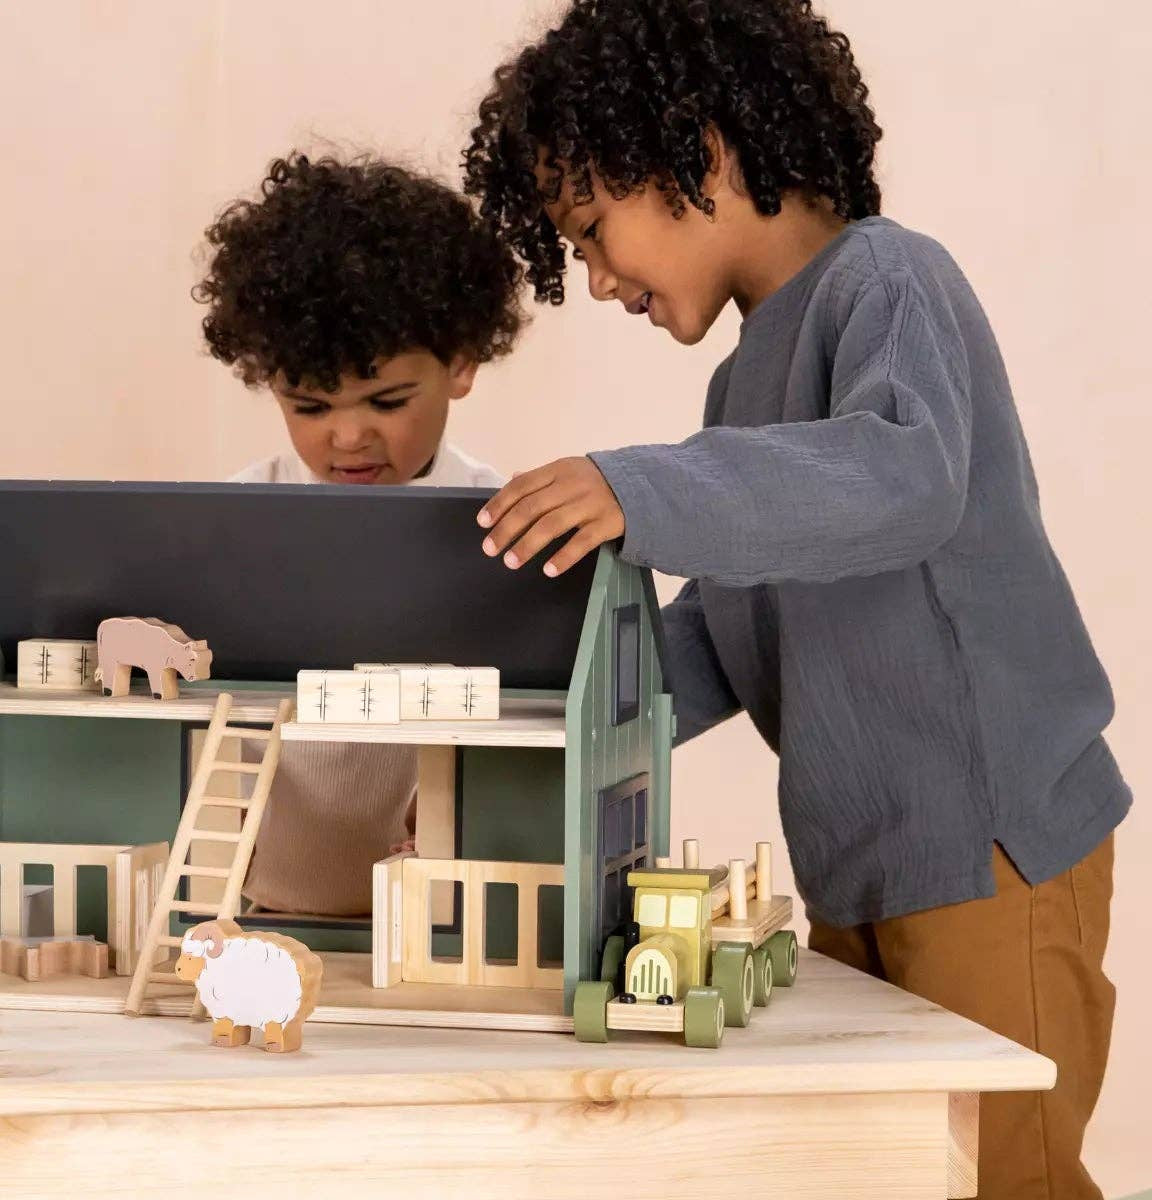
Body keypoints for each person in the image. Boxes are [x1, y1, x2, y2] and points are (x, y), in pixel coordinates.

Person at [462, 4, 1130, 1196]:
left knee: (1003, 1175)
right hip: (861, 867)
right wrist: (536, 729)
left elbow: (903, 476)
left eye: (594, 231)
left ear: (703, 155)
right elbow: (725, 633)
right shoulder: (740, 386)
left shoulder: (889, 277)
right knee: (879, 1168)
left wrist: (639, 483)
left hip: (991, 850)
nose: (600, 279)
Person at [194, 151, 524, 915]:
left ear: (463, 362)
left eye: (387, 401)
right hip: (258, 906)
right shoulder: (239, 520)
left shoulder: (500, 519)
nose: (347, 437)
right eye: (309, 407)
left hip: (433, 922)